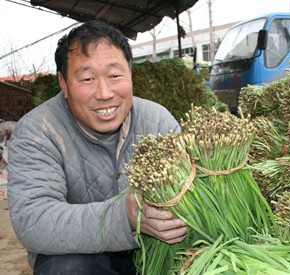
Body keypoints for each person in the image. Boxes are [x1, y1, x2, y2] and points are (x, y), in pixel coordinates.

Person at [7, 20, 187, 274]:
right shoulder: (38, 132)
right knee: (67, 268)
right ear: (63, 83)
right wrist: (124, 215)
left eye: (115, 76)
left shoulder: (156, 120)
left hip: (152, 250)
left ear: (130, 75)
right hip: (82, 257)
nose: (104, 93)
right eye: (88, 78)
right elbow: (34, 221)